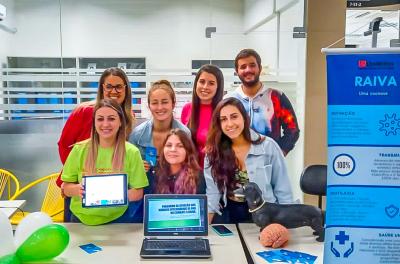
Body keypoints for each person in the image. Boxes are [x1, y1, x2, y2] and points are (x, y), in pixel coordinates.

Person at [205, 97, 294, 224]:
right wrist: (205, 228)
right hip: (229, 213)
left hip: (265, 212)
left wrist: (285, 224)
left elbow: (283, 190)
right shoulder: (213, 153)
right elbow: (212, 193)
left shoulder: (268, 146)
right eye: (223, 119)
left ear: (244, 117)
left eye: (234, 116)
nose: (229, 124)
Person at [61, 99, 148, 225]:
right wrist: (77, 190)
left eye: (111, 119)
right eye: (100, 119)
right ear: (94, 123)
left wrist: (111, 196)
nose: (105, 124)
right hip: (80, 220)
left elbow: (138, 193)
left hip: (118, 220)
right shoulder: (79, 149)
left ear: (120, 122)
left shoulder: (132, 152)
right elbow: (66, 187)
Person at [57, 67, 134, 187]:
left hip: (111, 183)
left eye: (118, 87)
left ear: (126, 89)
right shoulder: (84, 111)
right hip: (80, 184)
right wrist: (75, 174)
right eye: (109, 86)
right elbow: (64, 145)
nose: (113, 91)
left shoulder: (129, 115)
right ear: (102, 88)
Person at [225, 49, 300, 156]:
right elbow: (220, 133)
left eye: (252, 65)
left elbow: (293, 130)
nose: (248, 70)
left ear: (259, 68)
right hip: (236, 164)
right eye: (243, 67)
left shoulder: (276, 97)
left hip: (268, 166)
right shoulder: (228, 100)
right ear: (237, 71)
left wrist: (279, 153)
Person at [129, 80, 190, 172]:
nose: (160, 107)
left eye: (164, 102)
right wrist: (136, 166)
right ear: (149, 106)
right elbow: (128, 168)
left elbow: (189, 169)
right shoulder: (137, 135)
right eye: (154, 103)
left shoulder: (185, 133)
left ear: (173, 104)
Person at [181, 65, 224, 168]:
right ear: (196, 83)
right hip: (190, 173)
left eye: (211, 83)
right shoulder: (187, 109)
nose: (205, 87)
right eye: (202, 81)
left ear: (218, 87)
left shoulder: (223, 111)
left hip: (216, 172)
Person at [153, 128, 205, 194]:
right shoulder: (155, 173)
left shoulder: (198, 177)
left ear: (187, 150)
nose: (173, 149)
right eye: (169, 145)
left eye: (180, 146)